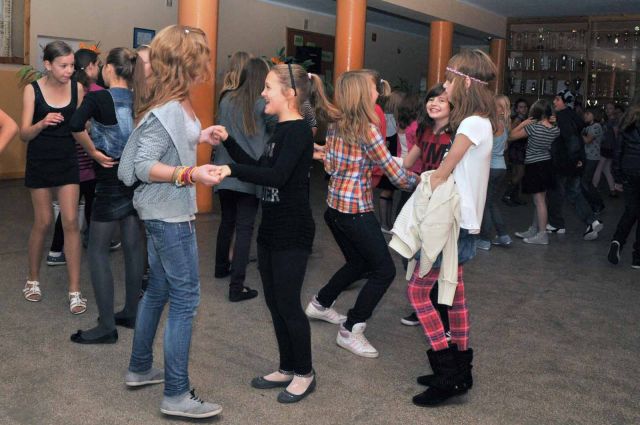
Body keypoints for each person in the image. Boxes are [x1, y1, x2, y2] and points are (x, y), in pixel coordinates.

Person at [211, 63, 339, 403]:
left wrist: (231, 168)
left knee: (288, 304)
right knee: (274, 302)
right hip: (271, 228)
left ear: (290, 94)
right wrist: (229, 143)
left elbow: (278, 176)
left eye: (268, 87)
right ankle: (287, 367)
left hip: (292, 231)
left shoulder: (298, 131)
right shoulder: (281, 130)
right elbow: (262, 168)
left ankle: (305, 373)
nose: (263, 93)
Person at [118, 25, 223, 419]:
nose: (207, 64)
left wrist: (202, 136)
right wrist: (190, 174)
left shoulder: (177, 101)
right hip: (169, 216)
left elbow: (174, 141)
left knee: (159, 290)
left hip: (165, 213)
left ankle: (140, 368)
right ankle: (176, 394)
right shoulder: (167, 109)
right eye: (202, 57)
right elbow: (144, 166)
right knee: (185, 300)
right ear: (187, 62)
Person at [304, 69, 418, 359]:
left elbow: (331, 165)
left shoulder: (337, 124)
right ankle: (351, 328)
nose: (378, 92)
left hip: (335, 210)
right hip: (356, 212)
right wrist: (424, 180)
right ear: (362, 94)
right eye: (373, 88)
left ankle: (320, 303)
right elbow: (396, 176)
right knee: (384, 271)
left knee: (358, 262)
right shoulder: (367, 129)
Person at [404, 49, 495, 407]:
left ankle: (447, 374)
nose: (444, 85)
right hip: (463, 222)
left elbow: (442, 174)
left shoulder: (470, 123)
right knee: (454, 297)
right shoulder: (481, 121)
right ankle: (461, 371)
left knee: (418, 293)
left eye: (449, 78)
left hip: (450, 222)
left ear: (466, 82)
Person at [69, 47, 144, 344]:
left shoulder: (98, 98)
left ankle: (107, 327)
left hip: (109, 179)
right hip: (135, 179)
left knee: (97, 250)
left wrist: (93, 152)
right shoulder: (141, 99)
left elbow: (75, 125)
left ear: (110, 68)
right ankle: (132, 312)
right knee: (133, 245)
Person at [20, 41, 86, 314]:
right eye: (63, 65)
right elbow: (24, 133)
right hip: (40, 160)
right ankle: (32, 279)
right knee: (44, 220)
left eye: (72, 65)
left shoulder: (77, 89)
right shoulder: (32, 90)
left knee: (71, 221)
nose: (69, 70)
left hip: (67, 160)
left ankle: (75, 290)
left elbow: (80, 129)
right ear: (47, 65)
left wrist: (94, 149)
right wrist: (41, 123)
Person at [213, 57, 272, 302]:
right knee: (245, 228)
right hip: (249, 173)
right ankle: (236, 286)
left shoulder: (227, 98)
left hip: (224, 171)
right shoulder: (262, 105)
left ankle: (220, 267)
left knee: (227, 221)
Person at [397, 84, 453, 332]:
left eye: (441, 100)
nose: (434, 104)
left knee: (438, 261)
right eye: (431, 99)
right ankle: (425, 306)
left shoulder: (457, 134)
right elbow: (408, 162)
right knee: (412, 253)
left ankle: (442, 316)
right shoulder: (424, 130)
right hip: (422, 198)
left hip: (444, 203)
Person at [46, 48, 102, 266]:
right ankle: (92, 243)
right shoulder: (93, 92)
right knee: (87, 204)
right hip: (85, 159)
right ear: (90, 67)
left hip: (71, 160)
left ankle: (56, 250)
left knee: (71, 207)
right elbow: (83, 126)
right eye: (97, 65)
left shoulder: (66, 90)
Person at [546, 90, 603, 240]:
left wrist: (574, 159)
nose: (554, 102)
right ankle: (592, 221)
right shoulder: (573, 115)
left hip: (565, 162)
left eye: (557, 99)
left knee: (555, 192)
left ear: (565, 102)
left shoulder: (562, 117)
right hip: (575, 160)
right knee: (574, 192)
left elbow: (571, 140)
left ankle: (556, 224)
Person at [512, 99, 559, 245]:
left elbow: (511, 136)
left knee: (539, 202)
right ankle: (534, 229)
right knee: (540, 201)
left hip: (534, 165)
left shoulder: (534, 127)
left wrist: (523, 123)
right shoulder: (555, 129)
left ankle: (542, 235)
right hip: (547, 163)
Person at [478, 95, 513, 249]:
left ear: (500, 109)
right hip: (501, 167)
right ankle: (503, 236)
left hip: (490, 168)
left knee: (486, 204)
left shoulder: (493, 125)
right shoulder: (505, 124)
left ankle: (485, 240)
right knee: (492, 203)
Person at [608, 101, 640, 268]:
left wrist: (618, 178)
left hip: (629, 174)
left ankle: (617, 241)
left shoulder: (625, 130)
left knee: (630, 211)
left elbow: (617, 154)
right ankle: (637, 257)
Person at [377, 90, 406, 234]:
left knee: (390, 192)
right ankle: (384, 224)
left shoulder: (387, 117)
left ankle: (387, 223)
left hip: (390, 160)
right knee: (387, 191)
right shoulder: (391, 119)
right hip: (390, 161)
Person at [503, 98, 529, 206]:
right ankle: (507, 195)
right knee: (520, 174)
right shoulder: (518, 119)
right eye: (521, 107)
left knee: (516, 173)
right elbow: (510, 133)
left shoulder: (524, 118)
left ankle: (514, 196)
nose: (523, 109)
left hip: (519, 148)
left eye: (525, 107)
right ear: (517, 109)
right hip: (517, 149)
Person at [581, 107, 605, 213]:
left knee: (585, 182)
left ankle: (598, 204)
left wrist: (580, 132)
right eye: (585, 113)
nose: (585, 115)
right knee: (587, 182)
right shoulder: (589, 126)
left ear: (594, 115)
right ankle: (596, 204)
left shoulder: (596, 126)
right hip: (588, 157)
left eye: (587, 113)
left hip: (592, 158)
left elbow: (587, 140)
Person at [593, 102, 619, 197]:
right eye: (607, 108)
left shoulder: (613, 121)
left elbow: (616, 135)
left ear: (614, 110)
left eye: (610, 108)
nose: (608, 110)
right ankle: (612, 190)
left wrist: (616, 148)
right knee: (606, 169)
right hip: (608, 147)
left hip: (607, 148)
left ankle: (593, 188)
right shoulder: (609, 121)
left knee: (599, 167)